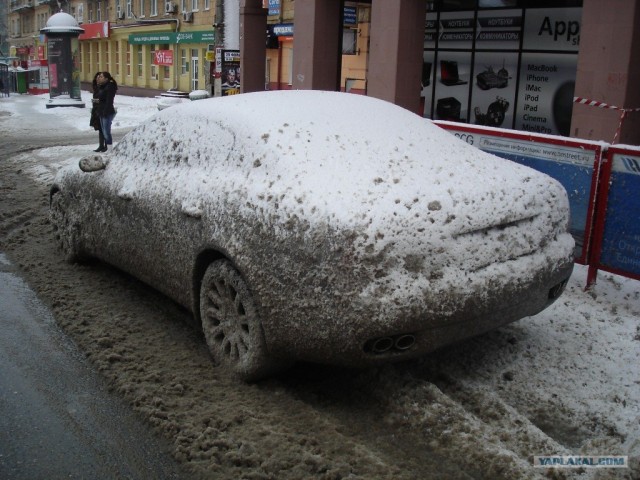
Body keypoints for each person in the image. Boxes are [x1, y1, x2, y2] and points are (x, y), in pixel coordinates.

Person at [94, 71, 118, 152]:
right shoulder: (103, 86)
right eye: (99, 77)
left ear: (106, 79)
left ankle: (109, 148)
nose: (99, 78)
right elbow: (102, 97)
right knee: (104, 131)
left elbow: (109, 101)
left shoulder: (110, 87)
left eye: (101, 77)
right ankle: (107, 147)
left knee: (106, 131)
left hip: (107, 112)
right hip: (101, 110)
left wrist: (105, 111)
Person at [89, 72, 106, 152]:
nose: (98, 78)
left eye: (100, 77)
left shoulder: (104, 87)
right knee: (100, 129)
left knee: (104, 129)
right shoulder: (96, 87)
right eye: (97, 77)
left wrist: (98, 101)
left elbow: (106, 99)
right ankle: (101, 145)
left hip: (102, 109)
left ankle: (106, 146)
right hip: (96, 109)